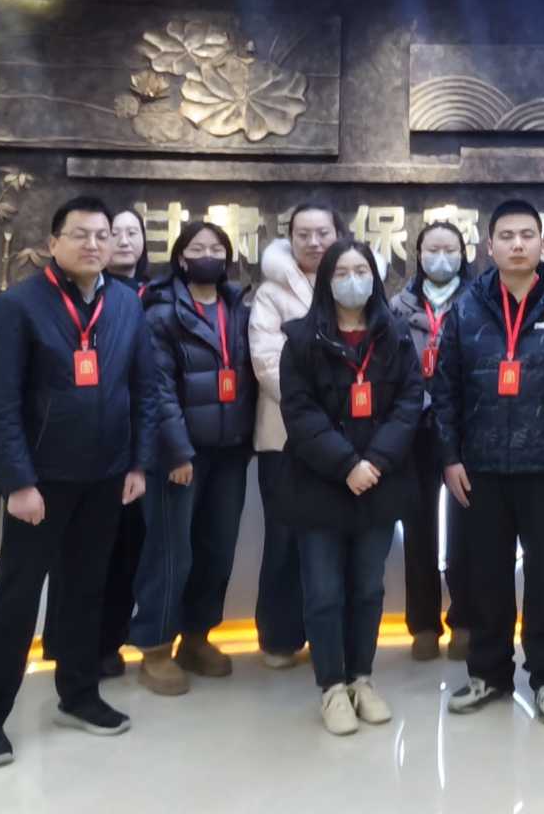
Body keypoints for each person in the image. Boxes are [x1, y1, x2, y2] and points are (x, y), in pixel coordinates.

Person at [0, 196, 159, 768]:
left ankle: (78, 694)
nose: (94, 244)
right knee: (18, 597)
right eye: (80, 234)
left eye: (103, 235)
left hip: (105, 476)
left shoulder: (125, 304)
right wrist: (18, 482)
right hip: (41, 483)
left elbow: (144, 390)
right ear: (53, 243)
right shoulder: (18, 306)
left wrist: (138, 463)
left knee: (85, 591)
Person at [432, 199, 544, 725]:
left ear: (543, 242)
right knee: (486, 576)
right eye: (506, 236)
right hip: (481, 468)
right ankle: (488, 672)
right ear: (489, 246)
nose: (517, 245)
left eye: (527, 235)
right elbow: (445, 388)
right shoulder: (467, 306)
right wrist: (450, 457)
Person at [276, 240, 423, 734]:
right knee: (323, 591)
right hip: (320, 482)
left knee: (367, 587)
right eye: (342, 272)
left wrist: (375, 461)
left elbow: (409, 403)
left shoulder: (396, 335)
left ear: (375, 279)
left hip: (379, 482)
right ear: (327, 281)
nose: (353, 280)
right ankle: (332, 686)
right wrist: (346, 465)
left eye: (361, 270)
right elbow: (299, 413)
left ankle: (362, 677)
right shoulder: (301, 340)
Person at [129, 221, 255, 696]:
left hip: (229, 451)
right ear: (180, 258)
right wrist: (177, 451)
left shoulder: (238, 307)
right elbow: (157, 388)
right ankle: (156, 646)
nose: (208, 255)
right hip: (179, 456)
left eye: (216, 248)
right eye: (197, 247)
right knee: (170, 553)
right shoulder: (161, 312)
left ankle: (197, 636)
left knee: (217, 548)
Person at [41, 203, 152, 680]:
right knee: (71, 563)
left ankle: (107, 644)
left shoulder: (140, 300)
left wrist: (140, 457)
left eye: (130, 233)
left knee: (122, 554)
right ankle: (67, 650)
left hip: (121, 457)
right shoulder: (45, 301)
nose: (120, 241)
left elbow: (145, 386)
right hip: (62, 463)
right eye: (113, 233)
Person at [250, 200, 347, 668]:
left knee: (337, 539)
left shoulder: (356, 281)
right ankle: (280, 637)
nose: (313, 242)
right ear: (289, 239)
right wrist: (316, 408)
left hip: (345, 440)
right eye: (303, 234)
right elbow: (266, 360)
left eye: (322, 232)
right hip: (285, 437)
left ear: (338, 234)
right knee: (285, 538)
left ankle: (332, 635)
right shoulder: (270, 294)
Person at [388, 220, 474, 663]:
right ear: (418, 256)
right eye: (432, 250)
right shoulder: (396, 307)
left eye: (450, 250)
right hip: (414, 431)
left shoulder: (479, 301)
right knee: (419, 530)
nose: (441, 258)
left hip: (465, 430)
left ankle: (465, 621)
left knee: (467, 530)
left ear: (464, 254)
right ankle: (423, 625)